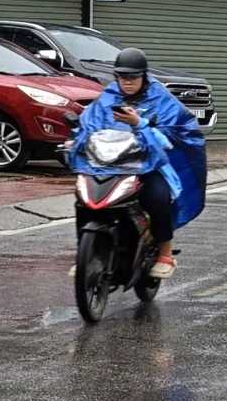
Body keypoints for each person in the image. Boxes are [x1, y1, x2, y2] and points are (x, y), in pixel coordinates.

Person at [69, 48, 207, 279]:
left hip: (148, 166)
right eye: (123, 77)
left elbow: (174, 132)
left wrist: (139, 123)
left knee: (157, 196)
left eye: (133, 77)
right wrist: (77, 140)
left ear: (143, 76)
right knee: (83, 198)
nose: (128, 82)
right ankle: (84, 254)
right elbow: (88, 124)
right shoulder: (108, 97)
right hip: (106, 165)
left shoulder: (160, 99)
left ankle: (165, 253)